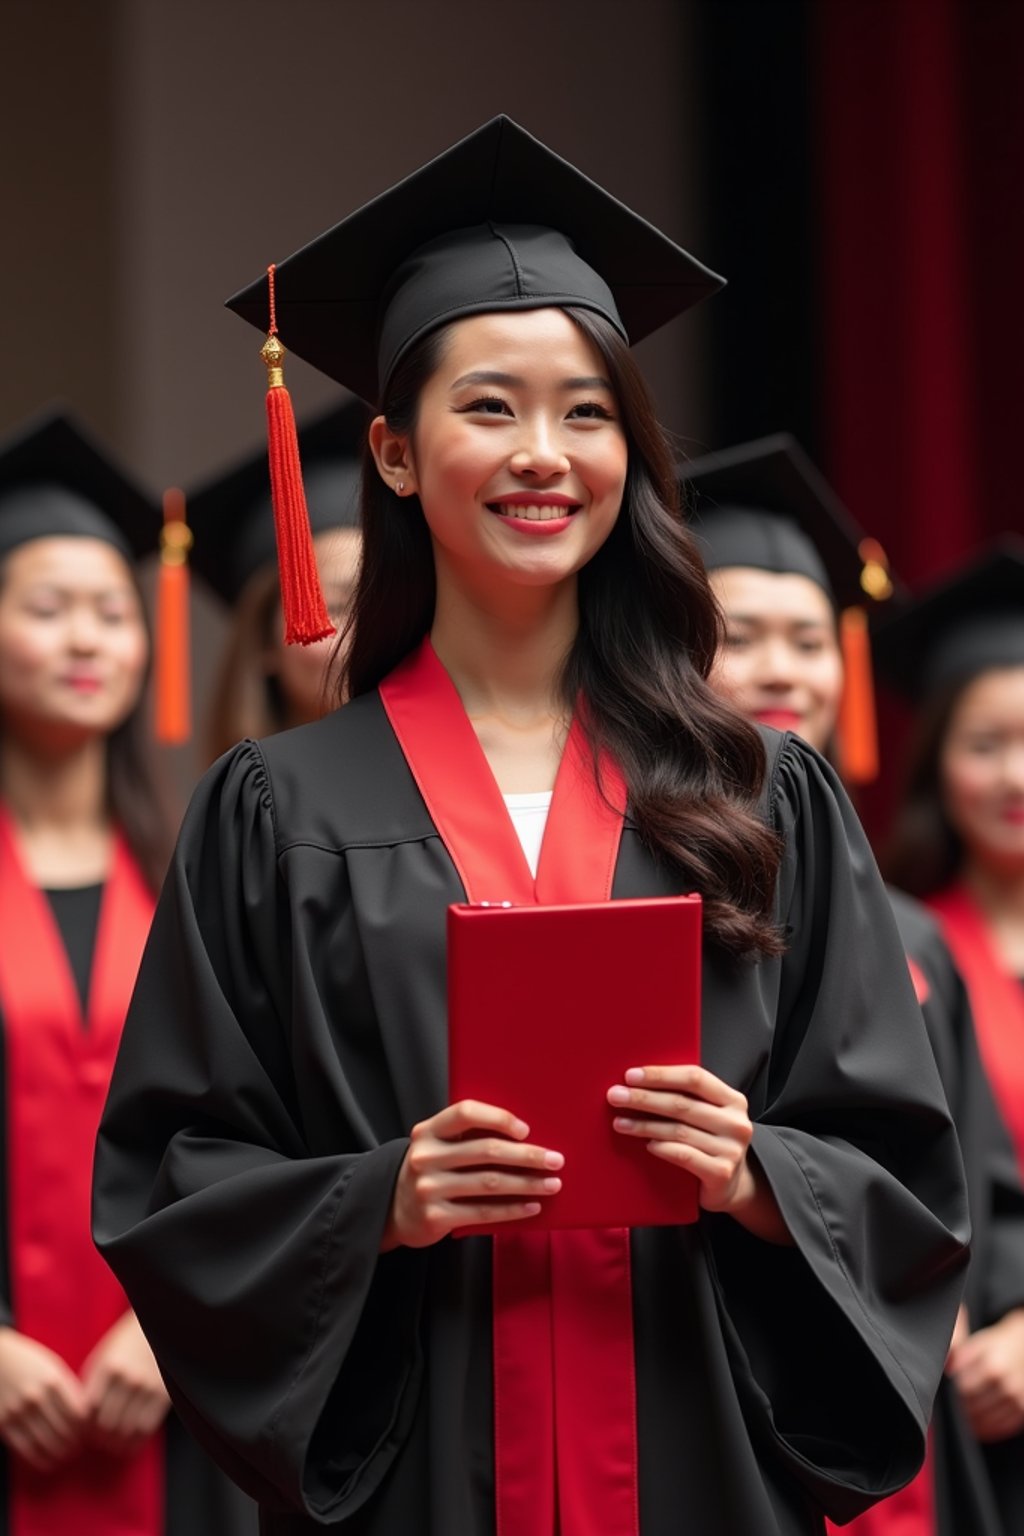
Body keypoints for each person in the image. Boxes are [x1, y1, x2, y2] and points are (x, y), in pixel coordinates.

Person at [92, 116, 969, 1536]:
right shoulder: (277, 810)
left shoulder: (761, 794)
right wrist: (382, 1197)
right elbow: (176, 1181)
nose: (545, 454)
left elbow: (903, 1168)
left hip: (702, 1455)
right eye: (489, 407)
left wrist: (759, 1175)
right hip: (427, 1468)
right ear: (390, 449)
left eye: (588, 410)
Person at [684, 435, 1024, 1536]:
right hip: (724, 1387)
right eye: (743, 637)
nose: (784, 670)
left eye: (808, 638)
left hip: (915, 1406)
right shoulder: (639, 903)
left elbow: (969, 1179)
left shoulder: (914, 940)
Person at [0, 411, 257, 1536]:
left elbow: (257, 1125)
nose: (87, 639)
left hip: (171, 1398)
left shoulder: (202, 869)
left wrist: (176, 1321)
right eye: (46, 610)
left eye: (111, 611)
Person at [877, 540, 1024, 1535]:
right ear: (936, 761)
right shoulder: (899, 952)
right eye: (984, 743)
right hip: (975, 1416)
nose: (1016, 774)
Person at [188, 399, 367, 762]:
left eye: (388, 596)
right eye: (332, 606)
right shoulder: (239, 813)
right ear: (264, 639)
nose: (369, 627)